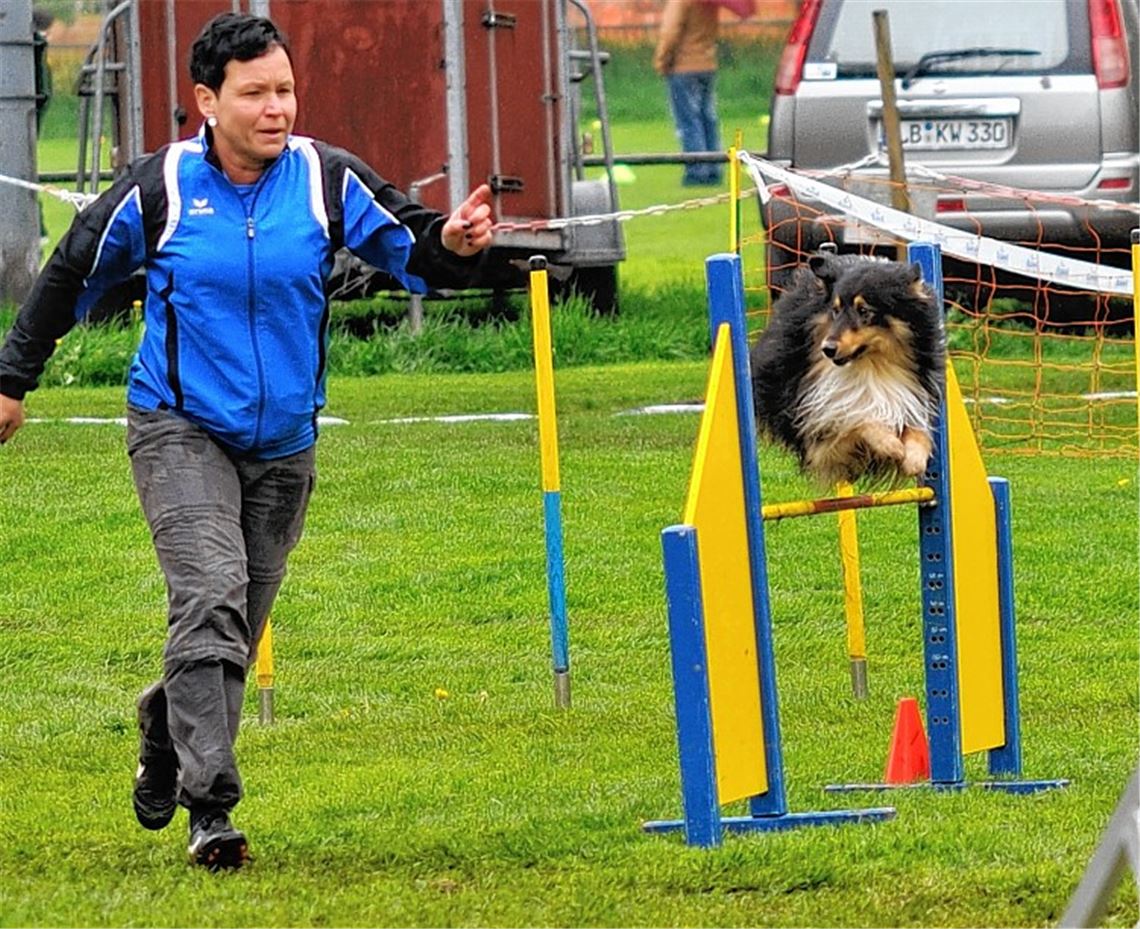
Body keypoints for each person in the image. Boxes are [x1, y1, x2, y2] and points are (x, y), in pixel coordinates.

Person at [0, 12, 494, 871]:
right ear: (206, 100)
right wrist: (11, 379)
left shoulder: (324, 178)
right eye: (256, 93)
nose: (277, 109)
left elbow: (414, 245)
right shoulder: (158, 188)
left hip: (285, 445)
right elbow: (72, 271)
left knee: (234, 621)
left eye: (287, 91)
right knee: (213, 593)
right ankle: (212, 811)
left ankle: (165, 721)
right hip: (178, 426)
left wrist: (451, 243)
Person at [653, 0, 723, 186]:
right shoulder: (709, 4)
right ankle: (715, 166)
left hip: (683, 67)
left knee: (688, 120)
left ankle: (697, 171)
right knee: (707, 118)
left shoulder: (680, 2)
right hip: (707, 64)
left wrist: (662, 62)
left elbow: (670, 33)